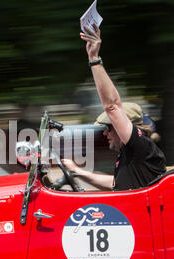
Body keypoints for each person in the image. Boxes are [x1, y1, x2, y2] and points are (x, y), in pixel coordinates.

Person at [62, 24, 166, 191]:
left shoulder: (142, 147)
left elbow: (112, 107)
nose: (105, 133)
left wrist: (94, 58)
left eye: (109, 128)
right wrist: (78, 172)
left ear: (125, 126)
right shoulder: (130, 154)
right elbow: (115, 184)